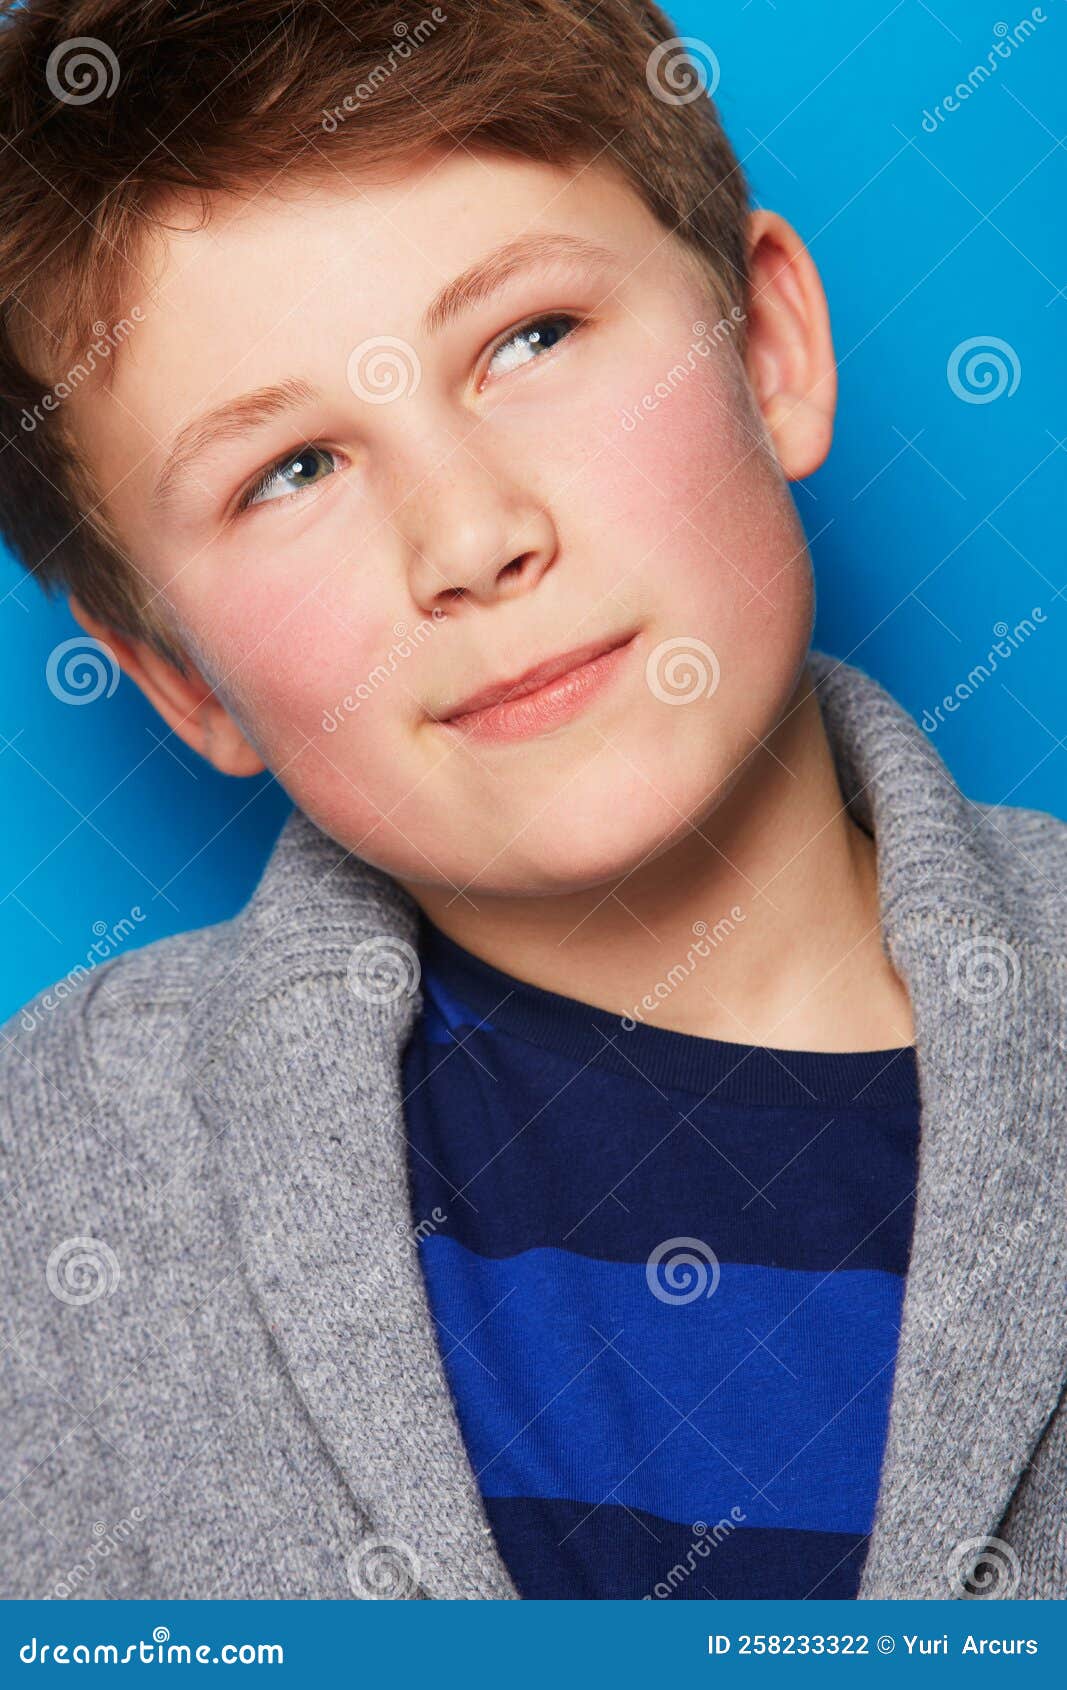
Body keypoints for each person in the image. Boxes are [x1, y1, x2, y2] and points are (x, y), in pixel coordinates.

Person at [0, 0, 1063, 1602]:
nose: (472, 536)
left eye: (531, 339)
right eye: (290, 469)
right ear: (179, 674)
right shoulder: (55, 1184)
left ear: (767, 353)